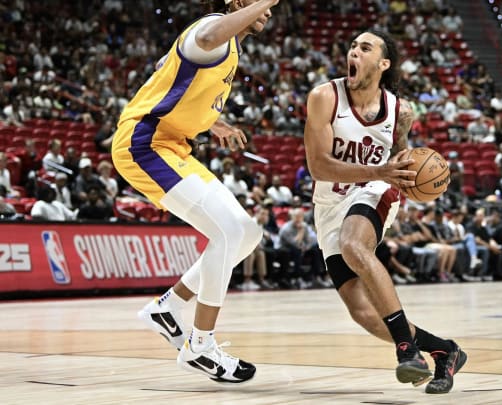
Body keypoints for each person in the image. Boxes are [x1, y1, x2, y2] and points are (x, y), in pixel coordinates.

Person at [111, 0, 279, 383]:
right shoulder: (214, 29)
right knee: (228, 233)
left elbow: (163, 72)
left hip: (172, 145)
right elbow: (205, 35)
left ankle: (167, 308)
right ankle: (200, 345)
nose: (269, 11)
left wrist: (214, 123)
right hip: (145, 144)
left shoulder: (226, 43)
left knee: (247, 233)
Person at [304, 29, 466, 394]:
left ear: (383, 63)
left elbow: (400, 158)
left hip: (374, 190)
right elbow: (319, 167)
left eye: (365, 47)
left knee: (354, 245)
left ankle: (407, 350)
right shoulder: (324, 97)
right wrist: (380, 169)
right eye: (351, 47)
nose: (354, 52)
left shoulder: (400, 111)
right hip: (329, 200)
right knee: (363, 314)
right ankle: (445, 351)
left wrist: (413, 174)